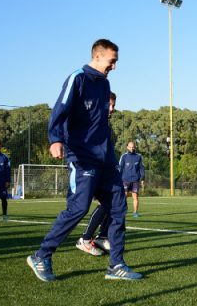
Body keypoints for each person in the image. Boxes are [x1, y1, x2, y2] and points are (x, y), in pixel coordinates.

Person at [26, 39, 141, 281]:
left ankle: (116, 265)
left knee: (118, 209)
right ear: (98, 56)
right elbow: (60, 109)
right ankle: (41, 255)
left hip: (106, 160)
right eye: (112, 61)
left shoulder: (105, 84)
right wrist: (55, 139)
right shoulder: (77, 78)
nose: (114, 66)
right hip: (82, 158)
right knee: (78, 208)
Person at [76, 92, 117, 256]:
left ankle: (101, 237)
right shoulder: (91, 121)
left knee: (112, 202)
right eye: (110, 105)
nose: (112, 109)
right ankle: (85, 240)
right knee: (80, 208)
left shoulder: (104, 124)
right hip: (89, 169)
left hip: (103, 168)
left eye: (114, 105)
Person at [119, 141, 145, 218]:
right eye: (130, 147)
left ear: (135, 147)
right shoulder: (124, 156)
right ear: (127, 147)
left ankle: (135, 212)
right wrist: (117, 178)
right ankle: (121, 212)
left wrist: (142, 177)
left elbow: (141, 168)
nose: (132, 148)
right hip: (125, 180)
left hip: (135, 180)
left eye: (133, 147)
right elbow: (120, 168)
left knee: (135, 197)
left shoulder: (139, 156)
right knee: (124, 196)